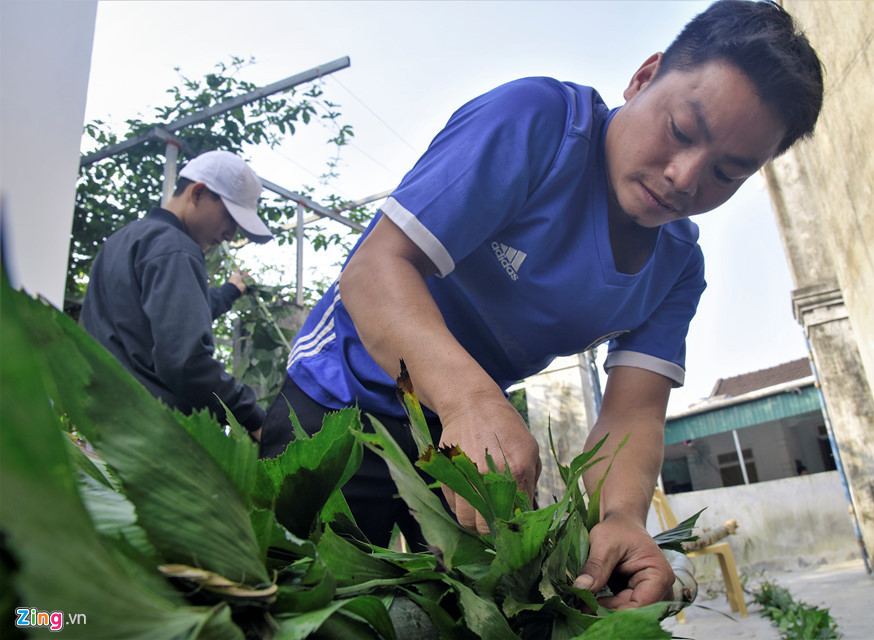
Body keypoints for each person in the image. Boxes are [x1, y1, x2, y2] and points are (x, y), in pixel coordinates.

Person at [260, 0, 823, 610]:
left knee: (496, 610)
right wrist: (471, 401)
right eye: (682, 132)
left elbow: (634, 414)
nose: (685, 177)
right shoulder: (540, 123)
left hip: (466, 442)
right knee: (304, 602)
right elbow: (374, 271)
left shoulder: (678, 267)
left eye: (727, 172)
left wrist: (622, 517)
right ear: (643, 77)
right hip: (341, 399)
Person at [81, 150, 274, 439]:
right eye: (230, 218)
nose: (230, 234)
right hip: (157, 438)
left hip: (107, 426)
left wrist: (231, 290)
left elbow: (178, 314)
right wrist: (251, 416)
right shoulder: (177, 249)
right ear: (198, 193)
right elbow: (186, 362)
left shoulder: (123, 242)